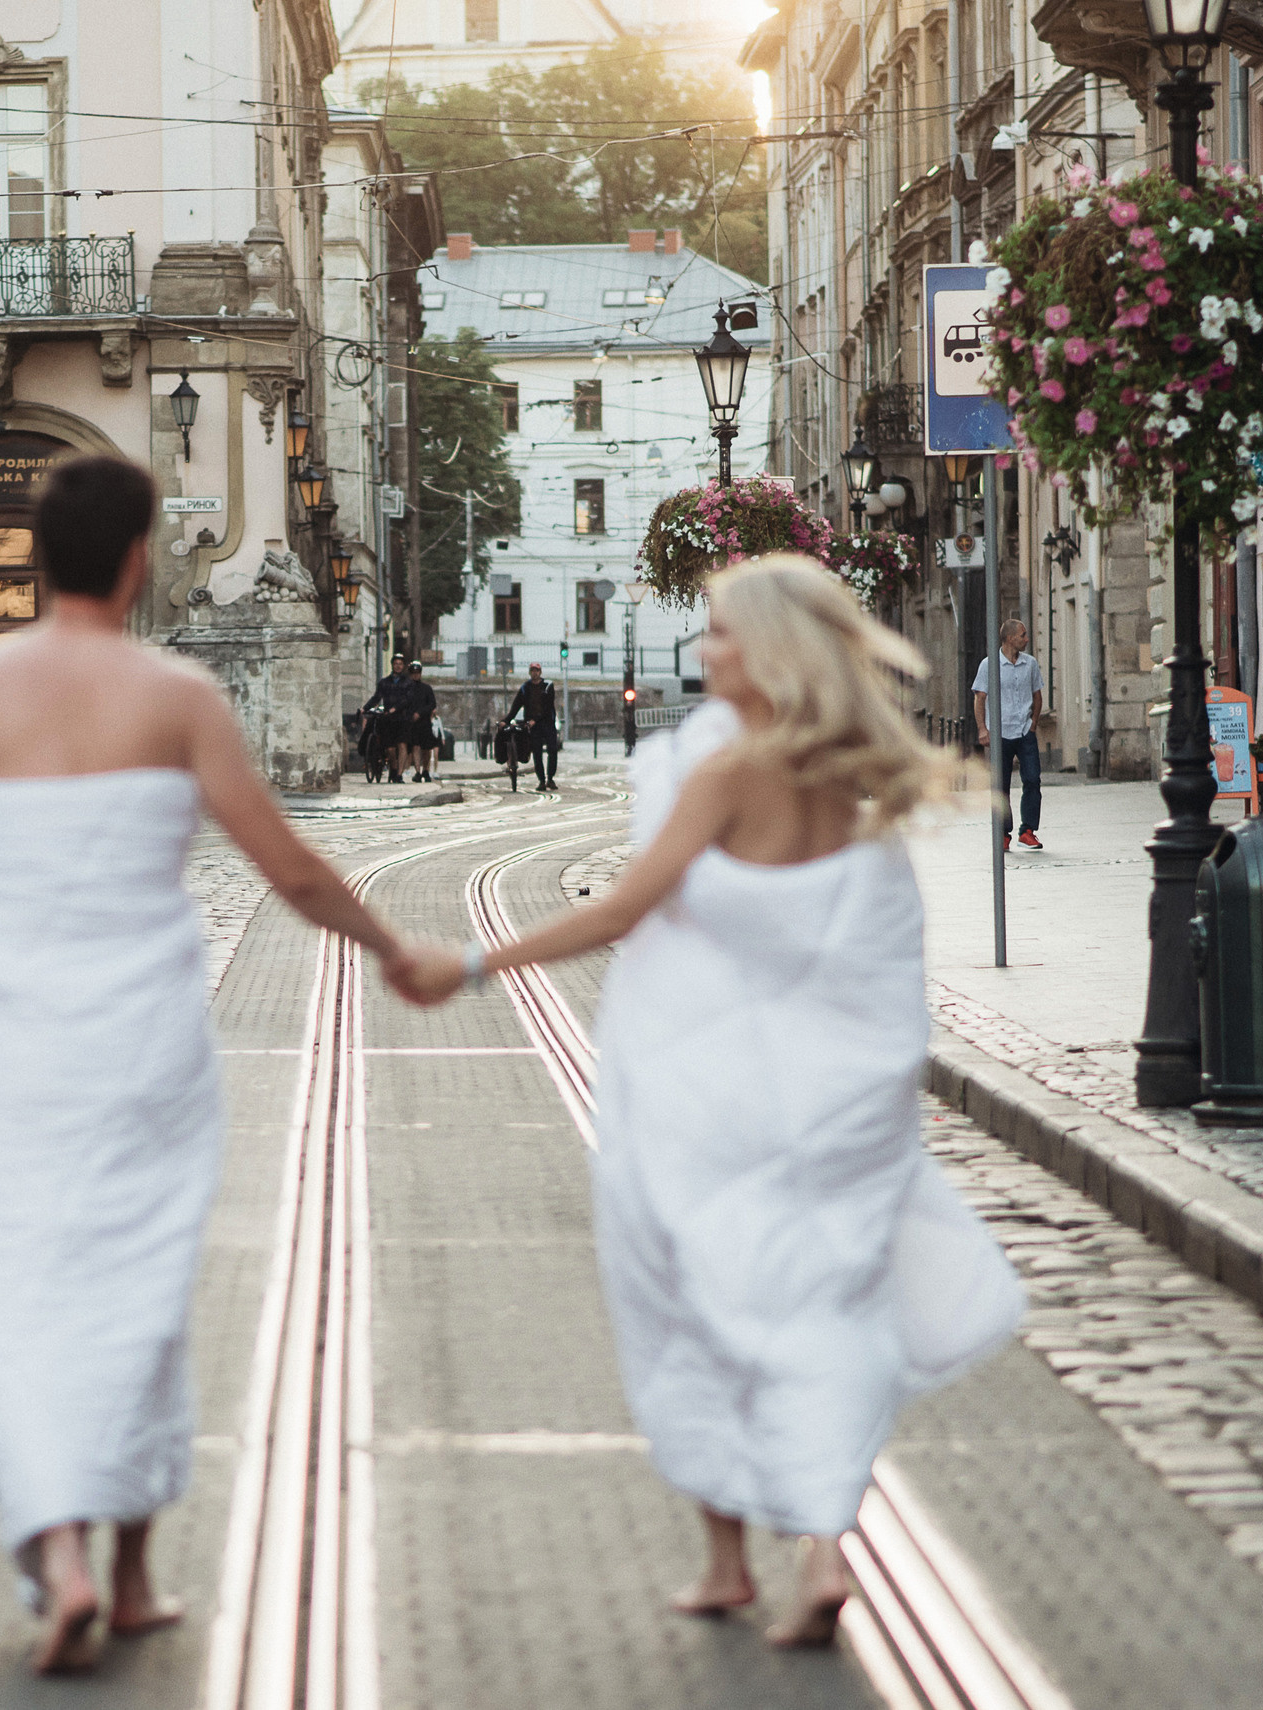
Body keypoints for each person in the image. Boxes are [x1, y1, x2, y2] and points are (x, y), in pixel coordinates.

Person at [391, 555, 1023, 1648]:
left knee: (691, 1307)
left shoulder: (730, 772)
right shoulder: (852, 777)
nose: (704, 650)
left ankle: (733, 1558)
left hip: (711, 1093)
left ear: (772, 651)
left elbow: (626, 908)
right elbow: (872, 948)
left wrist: (476, 964)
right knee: (817, 1305)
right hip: (832, 1103)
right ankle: (816, 1544)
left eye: (723, 634)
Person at [0, 454, 424, 1675]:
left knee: (23, 1290)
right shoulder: (178, 694)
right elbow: (287, 869)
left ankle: (65, 1558)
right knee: (136, 1296)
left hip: (18, 1052)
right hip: (141, 1046)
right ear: (141, 557)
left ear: (36, 552)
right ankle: (130, 1580)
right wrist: (395, 947)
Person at [973, 619, 1043, 850]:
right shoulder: (989, 665)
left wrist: (1033, 724)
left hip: (1024, 731)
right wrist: (983, 729)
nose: (1026, 639)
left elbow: (1037, 695)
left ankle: (1028, 831)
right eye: (1023, 635)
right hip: (999, 733)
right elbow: (980, 698)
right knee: (1000, 786)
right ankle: (1003, 833)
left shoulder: (1030, 664)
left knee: (1032, 780)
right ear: (1010, 638)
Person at [507, 661, 562, 791]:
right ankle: (542, 780)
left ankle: (550, 778)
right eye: (532, 671)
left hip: (547, 723)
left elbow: (547, 707)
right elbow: (516, 706)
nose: (534, 673)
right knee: (537, 752)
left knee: (552, 750)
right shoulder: (525, 688)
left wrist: (535, 720)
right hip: (534, 727)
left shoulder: (548, 685)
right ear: (529, 672)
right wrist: (507, 719)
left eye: (536, 670)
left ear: (540, 672)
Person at [367, 651, 417, 781]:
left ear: (404, 666)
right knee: (389, 748)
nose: (398, 666)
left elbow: (408, 699)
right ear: (392, 665)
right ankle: (394, 768)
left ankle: (399, 774)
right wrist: (365, 708)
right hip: (389, 718)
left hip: (403, 718)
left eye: (400, 664)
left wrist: (396, 708)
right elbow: (377, 697)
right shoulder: (384, 682)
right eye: (396, 664)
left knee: (402, 745)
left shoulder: (408, 682)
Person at [400, 660, 440, 782]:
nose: (415, 675)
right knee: (415, 747)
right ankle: (417, 771)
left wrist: (420, 713)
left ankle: (426, 770)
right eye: (413, 673)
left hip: (424, 722)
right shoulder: (406, 688)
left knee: (426, 748)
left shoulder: (426, 688)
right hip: (412, 723)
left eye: (417, 673)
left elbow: (432, 704)